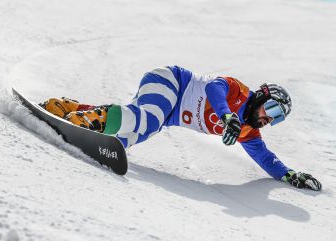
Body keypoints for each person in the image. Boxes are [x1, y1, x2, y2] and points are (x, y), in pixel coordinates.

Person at [39, 66, 322, 191]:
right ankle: (86, 121)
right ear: (261, 96)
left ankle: (68, 109)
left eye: (278, 119)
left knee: (128, 136)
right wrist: (226, 116)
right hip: (172, 82)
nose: (269, 120)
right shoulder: (238, 92)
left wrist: (289, 175)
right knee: (144, 119)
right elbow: (213, 88)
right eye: (272, 110)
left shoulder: (248, 130)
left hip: (168, 115)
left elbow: (264, 157)